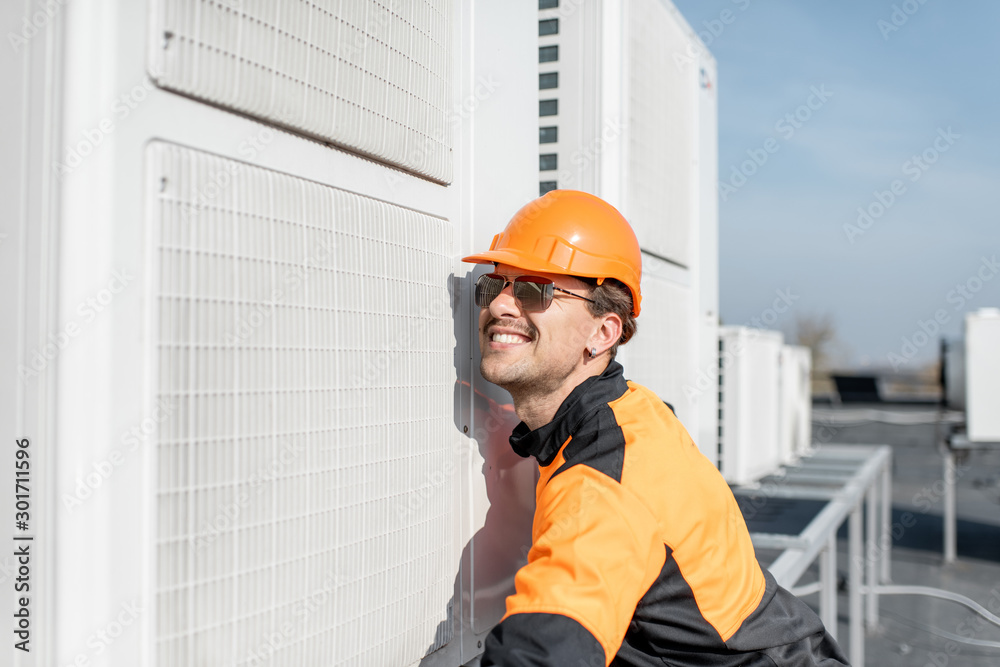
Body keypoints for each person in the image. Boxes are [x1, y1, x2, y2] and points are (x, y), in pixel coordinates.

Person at [462, 190, 848, 667]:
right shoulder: (629, 410)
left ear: (603, 333)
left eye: (532, 290)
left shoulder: (603, 479)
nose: (500, 303)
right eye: (495, 284)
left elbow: (543, 651)